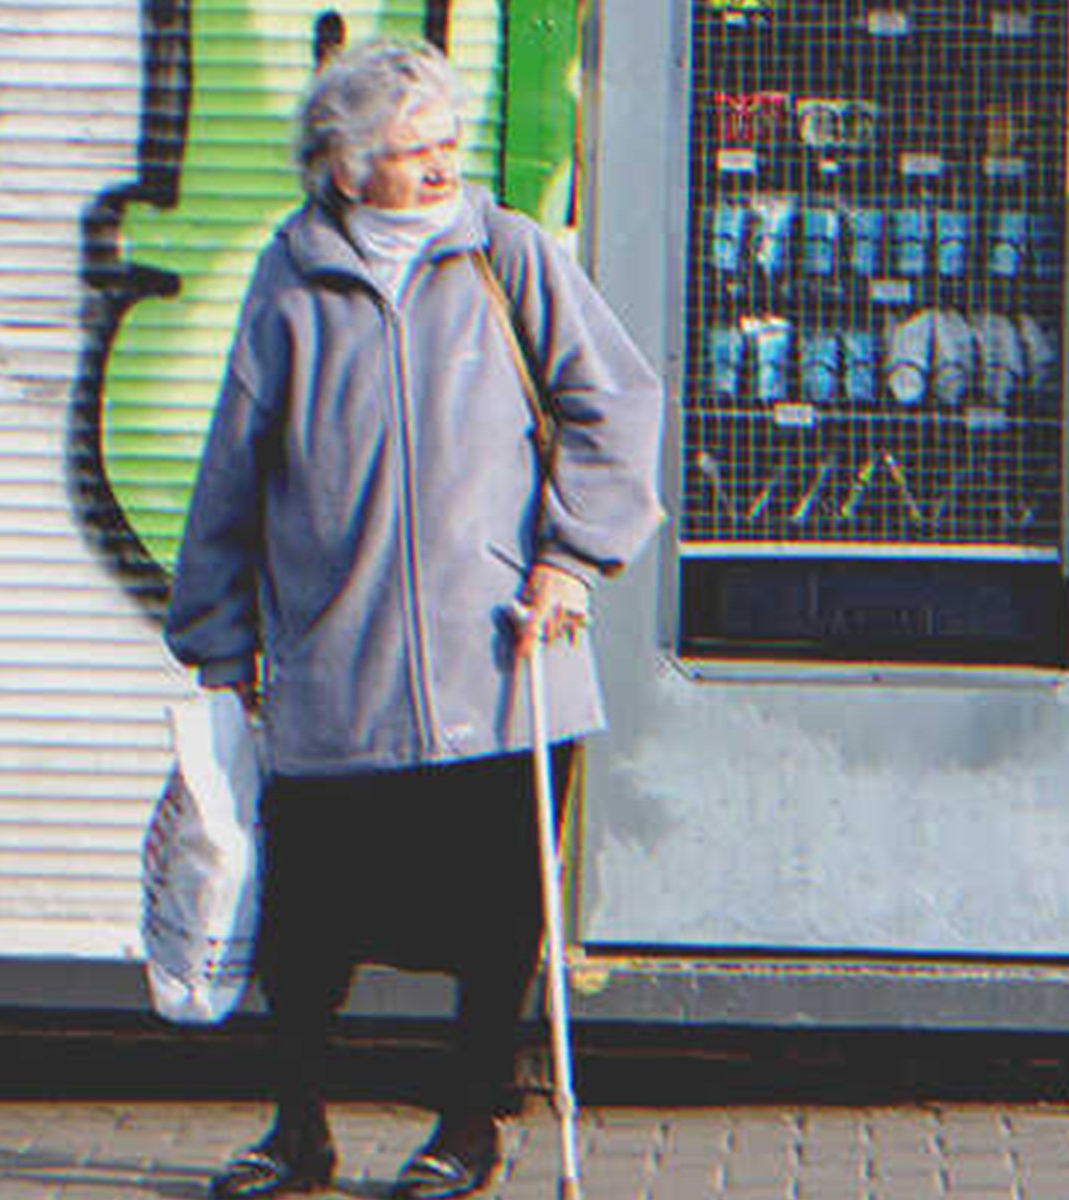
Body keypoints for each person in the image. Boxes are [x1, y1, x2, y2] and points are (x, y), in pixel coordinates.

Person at [163, 36, 665, 1200]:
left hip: (501, 662)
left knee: (497, 919)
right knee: (306, 928)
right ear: (343, 168)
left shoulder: (508, 256)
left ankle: (468, 1132)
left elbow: (616, 403)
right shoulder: (290, 280)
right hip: (334, 671)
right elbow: (234, 462)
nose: (441, 166)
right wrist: (217, 634)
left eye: (448, 143)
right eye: (411, 150)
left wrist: (572, 558)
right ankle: (297, 1134)